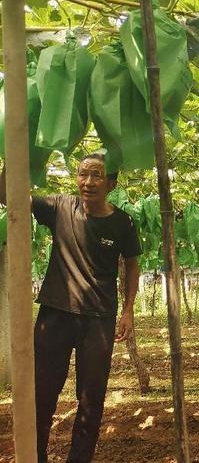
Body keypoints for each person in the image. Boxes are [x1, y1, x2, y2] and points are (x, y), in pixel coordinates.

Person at [0, 153, 142, 463]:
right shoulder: (60, 207)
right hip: (55, 315)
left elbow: (132, 266)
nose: (88, 182)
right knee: (40, 396)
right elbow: (7, 195)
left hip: (99, 321)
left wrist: (128, 310)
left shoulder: (123, 222)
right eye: (83, 175)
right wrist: (12, 154)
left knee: (91, 402)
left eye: (96, 176)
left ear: (111, 183)